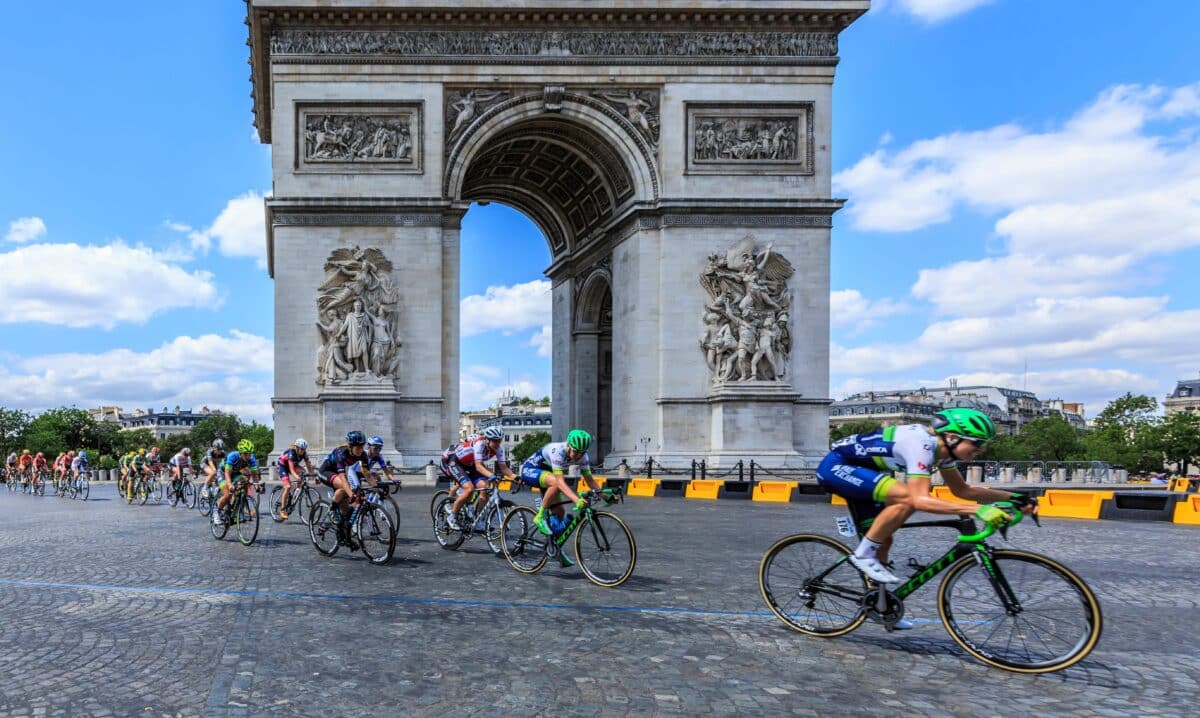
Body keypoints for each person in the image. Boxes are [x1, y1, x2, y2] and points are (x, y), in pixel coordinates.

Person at [817, 408, 1036, 591]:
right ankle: (863, 555)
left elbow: (963, 490)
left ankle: (879, 603)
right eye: (977, 443)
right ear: (952, 437)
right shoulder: (919, 444)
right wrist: (979, 510)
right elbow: (919, 500)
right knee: (906, 498)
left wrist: (1014, 497)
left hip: (864, 471)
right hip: (837, 467)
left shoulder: (943, 453)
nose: (981, 449)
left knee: (884, 539)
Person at [519, 430, 615, 560]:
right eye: (576, 451)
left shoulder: (583, 457)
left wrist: (606, 496)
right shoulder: (557, 450)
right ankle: (540, 516)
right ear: (569, 445)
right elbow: (560, 482)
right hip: (530, 469)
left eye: (582, 453)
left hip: (548, 474)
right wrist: (577, 500)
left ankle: (554, 548)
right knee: (555, 482)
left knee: (559, 511)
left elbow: (590, 480)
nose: (578, 456)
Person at [441, 426, 517, 531]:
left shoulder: (498, 448)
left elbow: (504, 468)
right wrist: (491, 475)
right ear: (487, 440)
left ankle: (479, 520)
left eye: (499, 440)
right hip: (456, 463)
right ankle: (452, 516)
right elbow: (479, 466)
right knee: (469, 489)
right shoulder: (479, 444)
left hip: (470, 465)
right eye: (495, 441)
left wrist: (516, 477)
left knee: (485, 487)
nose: (498, 443)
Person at [318, 431, 369, 543]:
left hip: (337, 473)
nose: (361, 450)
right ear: (350, 447)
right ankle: (332, 511)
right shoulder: (340, 453)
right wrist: (352, 495)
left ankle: (343, 534)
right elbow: (342, 478)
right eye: (358, 447)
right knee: (344, 486)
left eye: (362, 447)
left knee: (345, 511)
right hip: (326, 471)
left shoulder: (363, 455)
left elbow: (367, 474)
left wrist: (378, 488)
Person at [213, 440, 259, 526]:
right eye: (245, 454)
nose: (248, 456)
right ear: (240, 452)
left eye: (249, 453)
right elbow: (227, 473)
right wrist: (230, 485)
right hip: (223, 473)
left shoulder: (251, 458)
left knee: (245, 482)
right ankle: (217, 513)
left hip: (236, 473)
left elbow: (254, 473)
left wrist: (257, 485)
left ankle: (239, 504)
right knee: (228, 494)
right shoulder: (232, 456)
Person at [275, 438, 314, 521]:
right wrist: (297, 477)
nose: (303, 451)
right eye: (301, 449)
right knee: (288, 486)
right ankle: (282, 510)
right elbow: (291, 469)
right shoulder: (291, 453)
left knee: (303, 471)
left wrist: (314, 475)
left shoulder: (304, 453)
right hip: (282, 466)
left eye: (304, 449)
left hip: (292, 465)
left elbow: (308, 465)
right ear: (297, 448)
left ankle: (297, 491)